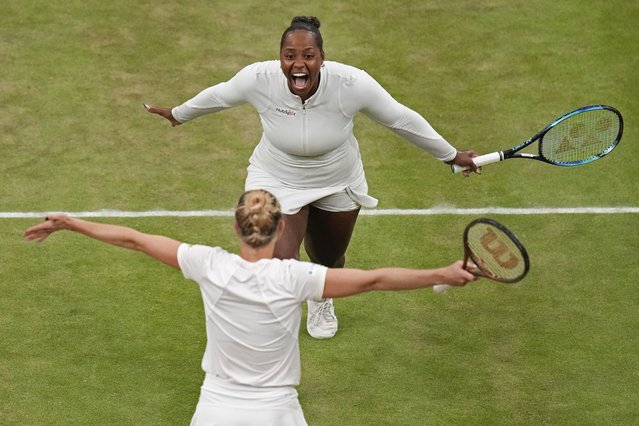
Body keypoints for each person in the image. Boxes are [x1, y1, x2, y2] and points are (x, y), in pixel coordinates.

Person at [144, 16, 480, 339]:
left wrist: (451, 154)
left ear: (322, 58)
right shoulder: (259, 79)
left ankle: (321, 297)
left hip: (338, 181)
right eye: (290, 56)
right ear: (280, 59)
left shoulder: (351, 84)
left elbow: (401, 119)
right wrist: (178, 114)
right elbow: (219, 95)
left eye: (308, 56)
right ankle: (287, 301)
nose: (298, 64)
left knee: (329, 258)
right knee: (278, 259)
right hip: (276, 177)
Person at [23, 189, 477, 426]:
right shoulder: (296, 277)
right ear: (281, 230)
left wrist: (71, 224)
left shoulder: (207, 265)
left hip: (216, 407)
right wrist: (441, 273)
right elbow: (375, 279)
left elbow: (135, 239)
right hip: (277, 410)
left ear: (236, 228)